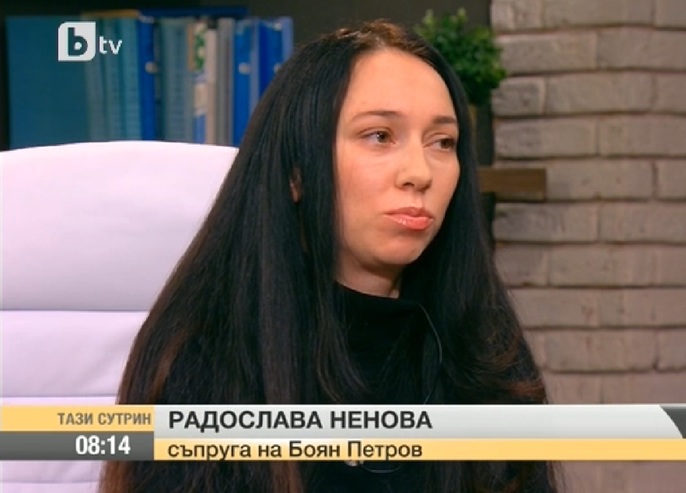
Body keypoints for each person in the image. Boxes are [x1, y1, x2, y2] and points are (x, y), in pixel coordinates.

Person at [99, 19, 558, 493]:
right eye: (379, 136)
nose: (420, 173)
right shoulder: (203, 360)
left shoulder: (485, 347)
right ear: (297, 170)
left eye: (442, 142)